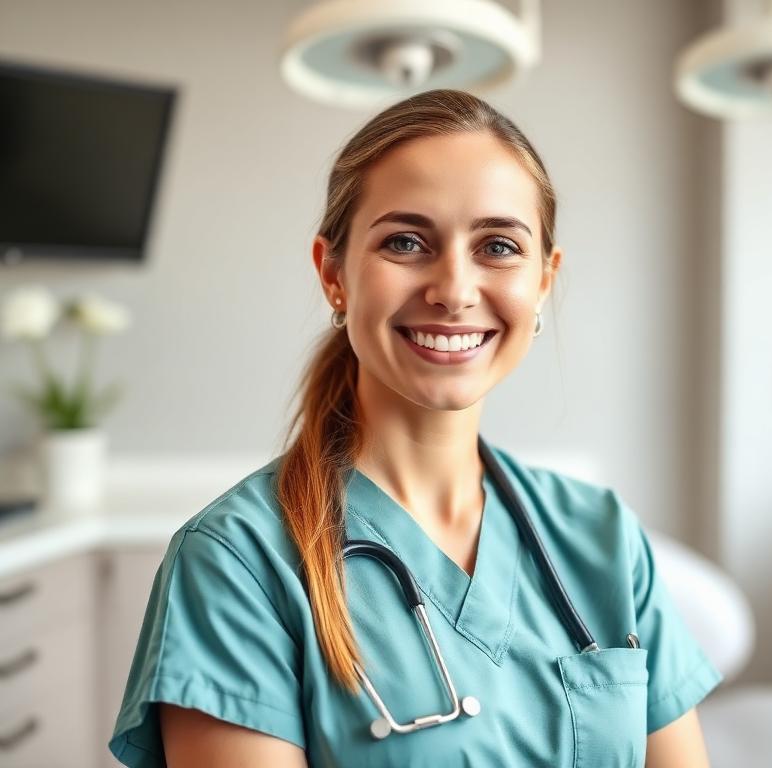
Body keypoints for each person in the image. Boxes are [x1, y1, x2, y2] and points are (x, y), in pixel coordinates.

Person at [108, 88, 722, 767]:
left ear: (544, 280)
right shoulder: (237, 563)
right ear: (334, 273)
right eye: (406, 242)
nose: (454, 290)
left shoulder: (600, 535)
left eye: (497, 245)